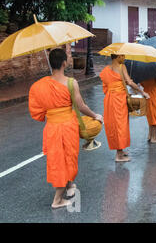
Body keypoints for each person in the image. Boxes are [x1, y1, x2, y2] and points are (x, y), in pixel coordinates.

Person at [28, 48, 103, 209]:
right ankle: (57, 200)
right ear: (64, 63)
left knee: (58, 159)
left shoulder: (39, 86)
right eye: (67, 58)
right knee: (66, 159)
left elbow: (37, 110)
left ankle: (69, 186)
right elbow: (80, 105)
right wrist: (95, 115)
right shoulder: (70, 82)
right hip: (67, 126)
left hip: (51, 127)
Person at [99, 54, 149, 162]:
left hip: (109, 99)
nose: (124, 57)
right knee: (120, 125)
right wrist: (142, 91)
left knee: (114, 125)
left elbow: (106, 87)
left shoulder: (105, 70)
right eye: (122, 56)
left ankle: (120, 150)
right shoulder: (122, 67)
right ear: (117, 57)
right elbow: (130, 82)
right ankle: (119, 155)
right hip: (119, 99)